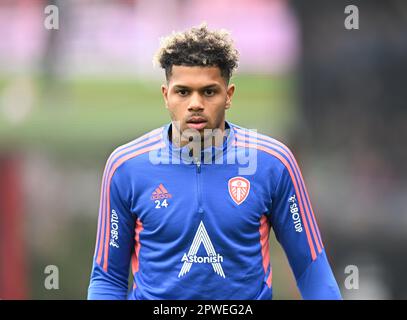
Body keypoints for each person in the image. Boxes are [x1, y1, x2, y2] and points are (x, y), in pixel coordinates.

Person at [87, 24, 342, 300]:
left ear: (228, 95)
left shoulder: (273, 163)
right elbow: (108, 279)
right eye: (183, 92)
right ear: (166, 95)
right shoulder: (126, 167)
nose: (195, 103)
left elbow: (311, 270)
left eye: (209, 92)